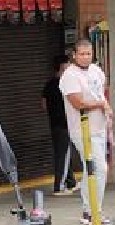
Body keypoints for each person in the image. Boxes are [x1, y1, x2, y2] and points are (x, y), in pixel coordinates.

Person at [60, 38, 113, 225]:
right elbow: (78, 104)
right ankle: (93, 211)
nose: (85, 57)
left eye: (88, 53)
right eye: (81, 54)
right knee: (99, 168)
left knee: (91, 169)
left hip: (99, 128)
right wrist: (100, 104)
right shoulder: (69, 76)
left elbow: (102, 92)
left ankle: (88, 210)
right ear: (74, 55)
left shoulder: (96, 71)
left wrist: (106, 109)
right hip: (82, 130)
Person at [42, 55, 79, 196]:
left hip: (54, 124)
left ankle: (71, 182)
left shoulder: (48, 85)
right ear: (62, 68)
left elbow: (43, 104)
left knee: (64, 153)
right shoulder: (64, 85)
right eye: (67, 67)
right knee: (63, 155)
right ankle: (60, 186)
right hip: (64, 124)